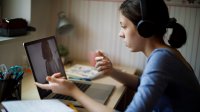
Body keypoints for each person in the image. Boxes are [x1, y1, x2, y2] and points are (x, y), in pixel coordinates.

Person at [36, 0, 200, 111]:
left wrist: (73, 91)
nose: (120, 34)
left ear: (144, 28)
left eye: (124, 26)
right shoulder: (167, 53)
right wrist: (111, 71)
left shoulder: (161, 59)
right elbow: (144, 84)